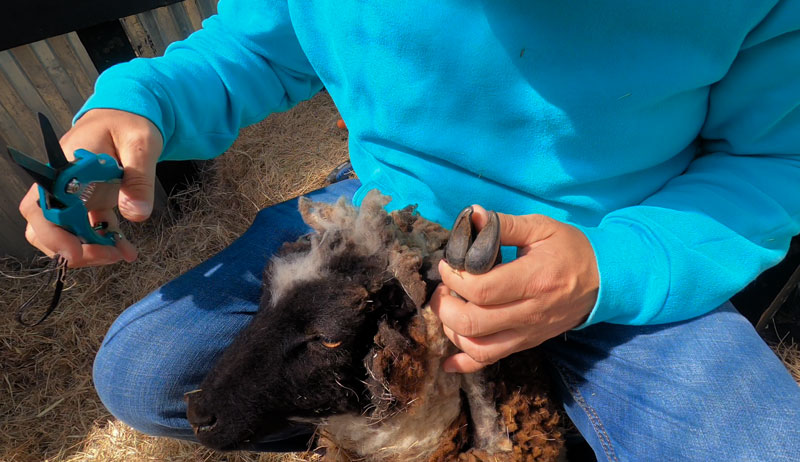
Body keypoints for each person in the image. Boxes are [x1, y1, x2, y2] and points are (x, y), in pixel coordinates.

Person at [18, 1, 800, 459]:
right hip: (387, 217)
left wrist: (610, 270)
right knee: (146, 374)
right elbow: (255, 47)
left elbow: (773, 157)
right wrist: (139, 103)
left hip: (619, 241)